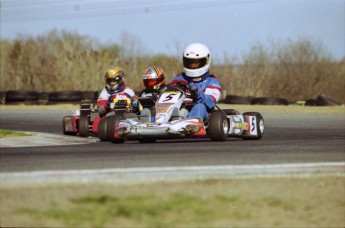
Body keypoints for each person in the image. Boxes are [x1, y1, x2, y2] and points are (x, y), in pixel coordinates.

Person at [169, 43, 222, 121]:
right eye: (190, 62)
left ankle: (188, 124)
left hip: (201, 113)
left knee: (199, 107)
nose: (192, 65)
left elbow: (210, 103)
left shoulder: (212, 81)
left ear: (206, 61)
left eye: (196, 63)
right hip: (177, 109)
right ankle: (150, 122)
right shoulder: (179, 78)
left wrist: (197, 94)